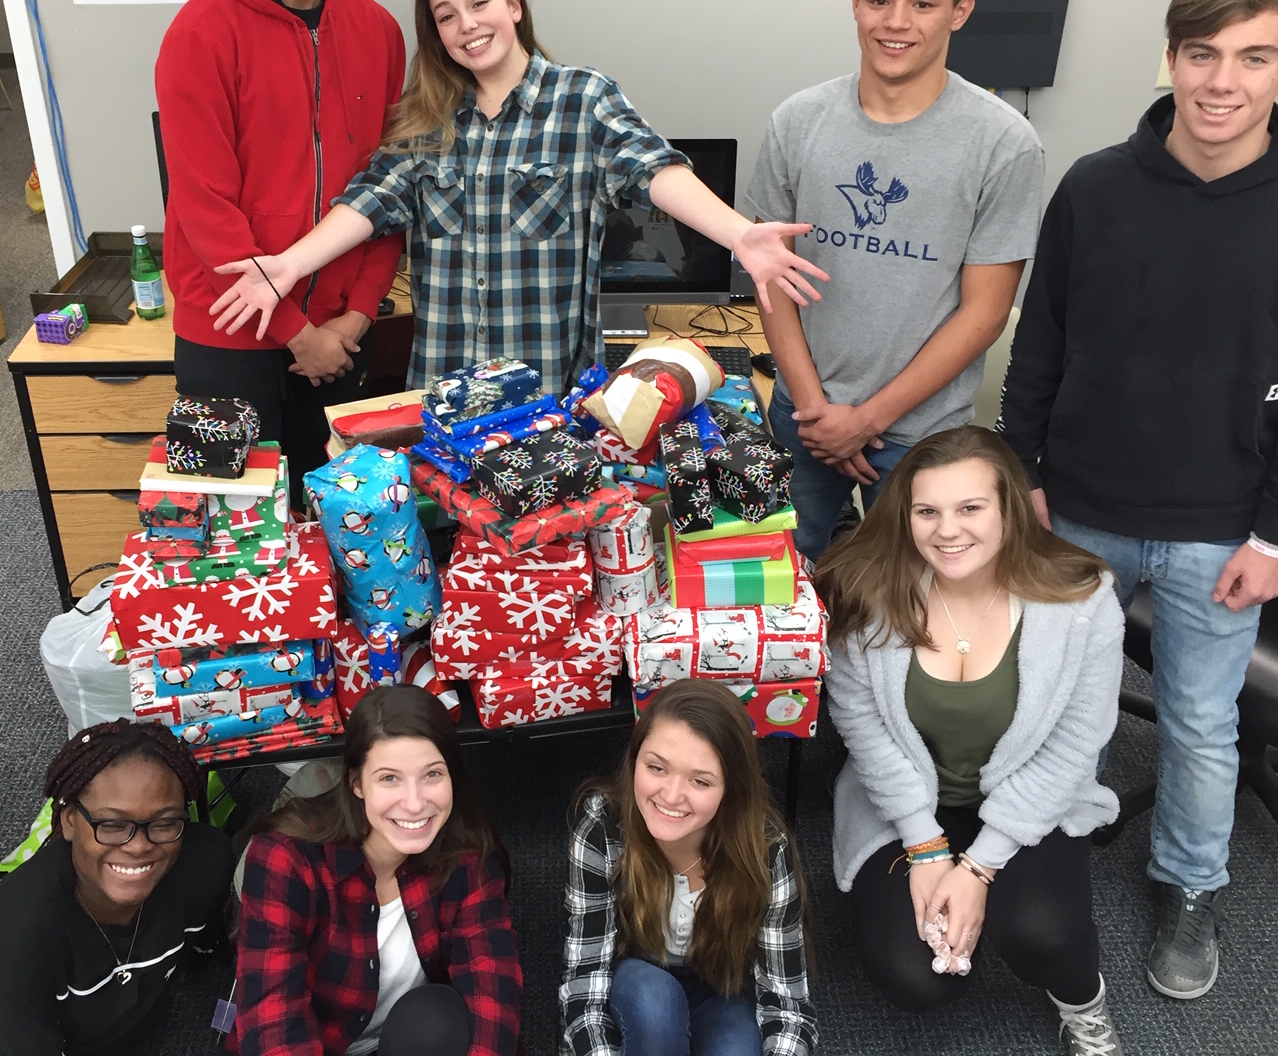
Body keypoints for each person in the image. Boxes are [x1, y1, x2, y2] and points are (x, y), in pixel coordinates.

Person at [998, 0, 1278, 1000]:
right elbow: (1044, 336)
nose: (1223, 80)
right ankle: (1038, 852)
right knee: (1053, 697)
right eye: (1203, 53)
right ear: (1171, 57)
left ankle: (1192, 885)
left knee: (1204, 724)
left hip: (1225, 525)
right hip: (1079, 504)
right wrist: (1021, 465)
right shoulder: (1094, 185)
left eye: (1254, 57)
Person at [204, 0, 827, 398]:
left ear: (514, 4)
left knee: (543, 576)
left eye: (478, 3)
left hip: (546, 410)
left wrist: (738, 234)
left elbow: (652, 168)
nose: (467, 24)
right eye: (446, 16)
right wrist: (290, 264)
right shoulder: (428, 122)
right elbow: (368, 203)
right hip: (444, 407)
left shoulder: (582, 99)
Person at [743, 0, 1045, 562]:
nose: (897, 23)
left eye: (923, 4)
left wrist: (868, 420)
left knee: (907, 612)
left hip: (920, 435)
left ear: (959, 11)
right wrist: (820, 416)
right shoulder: (798, 122)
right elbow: (772, 280)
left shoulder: (1003, 144)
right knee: (781, 596)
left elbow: (985, 314)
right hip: (803, 418)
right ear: (855, 1)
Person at [816, 426, 1125, 1055]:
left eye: (969, 508)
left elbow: (1072, 749)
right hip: (908, 804)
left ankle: (1082, 1003)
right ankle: (965, 922)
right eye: (927, 511)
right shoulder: (868, 590)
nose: (946, 530)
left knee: (1043, 934)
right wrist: (926, 847)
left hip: (1029, 803)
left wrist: (980, 867)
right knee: (915, 980)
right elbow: (861, 725)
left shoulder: (1083, 601)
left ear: (1009, 508)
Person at [155, 0, 406, 482]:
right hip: (229, 332)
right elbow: (206, 210)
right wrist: (298, 333)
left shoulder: (377, 30)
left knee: (342, 516)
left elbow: (388, 185)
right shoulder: (200, 34)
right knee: (234, 524)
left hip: (340, 328)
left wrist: (356, 316)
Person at [0, 721, 233, 1056]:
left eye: (164, 822)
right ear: (68, 820)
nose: (138, 846)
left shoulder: (206, 865)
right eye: (111, 825)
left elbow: (203, 951)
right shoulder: (15, 929)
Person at [233, 685, 520, 1056]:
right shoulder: (285, 858)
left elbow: (492, 991)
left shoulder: (466, 855)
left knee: (439, 1020)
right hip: (314, 1045)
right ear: (356, 783)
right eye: (389, 778)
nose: (415, 803)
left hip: (406, 1039)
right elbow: (272, 1017)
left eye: (432, 774)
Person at [559, 679, 816, 1056]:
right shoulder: (603, 827)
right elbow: (585, 987)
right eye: (657, 768)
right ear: (635, 759)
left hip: (721, 986)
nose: (671, 795)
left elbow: (788, 1005)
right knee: (654, 1005)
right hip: (636, 978)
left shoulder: (766, 847)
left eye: (700, 780)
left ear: (732, 788)